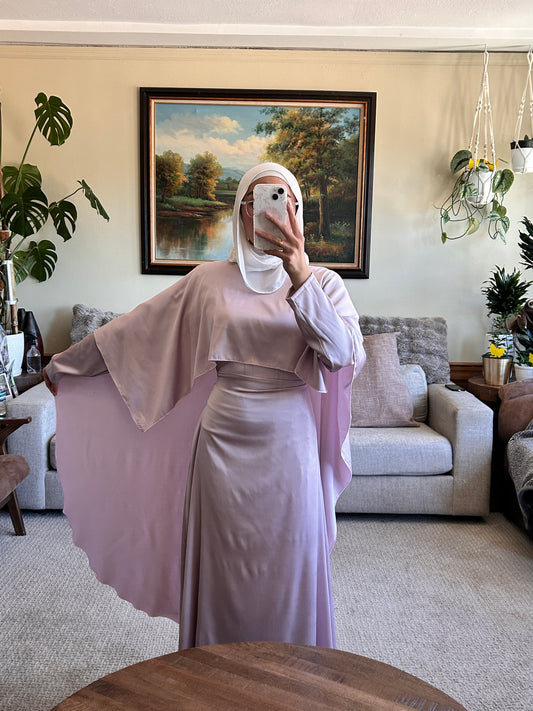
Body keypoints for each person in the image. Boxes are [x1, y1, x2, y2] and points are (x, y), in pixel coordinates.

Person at [44, 162, 366, 650]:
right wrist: (63, 365)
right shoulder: (208, 280)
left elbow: (341, 355)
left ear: (298, 211)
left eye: (283, 201)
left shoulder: (323, 282)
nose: (271, 213)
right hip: (221, 444)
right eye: (257, 203)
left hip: (290, 444)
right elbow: (133, 332)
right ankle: (214, 677)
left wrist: (300, 274)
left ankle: (291, 676)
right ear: (241, 213)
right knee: (222, 567)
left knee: (289, 561)